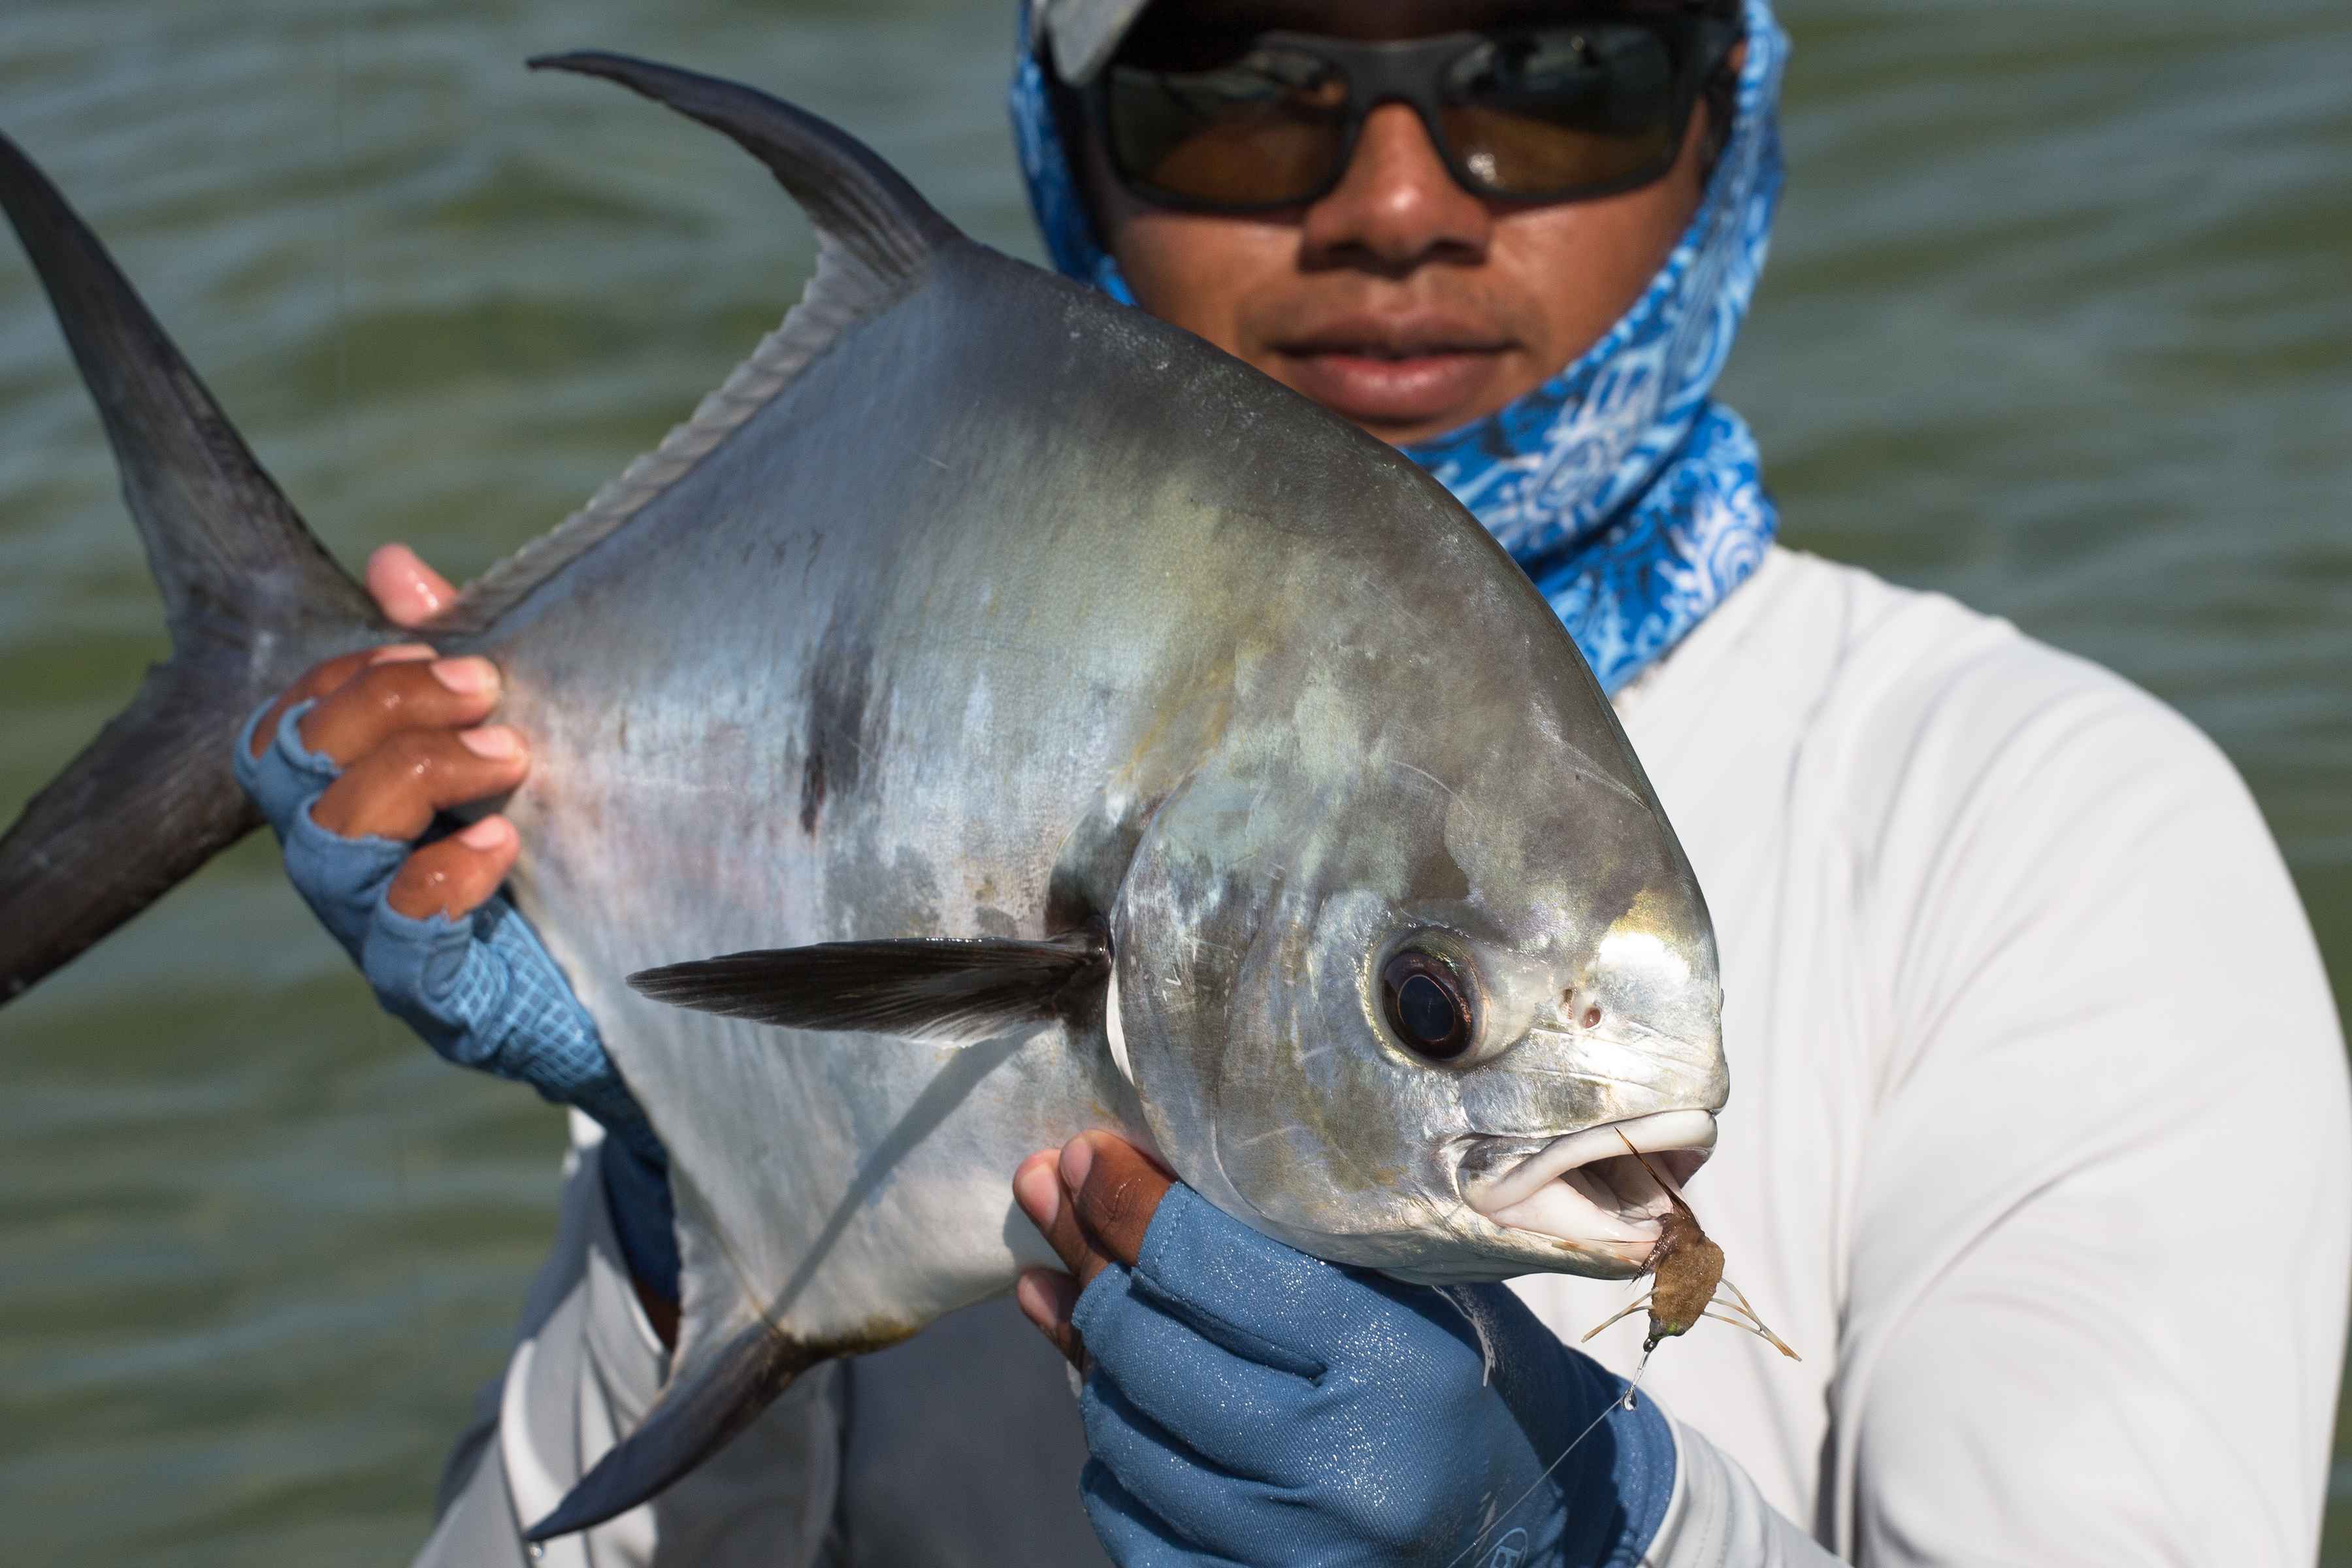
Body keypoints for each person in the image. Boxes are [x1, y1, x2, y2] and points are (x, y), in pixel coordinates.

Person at [233, 0, 2352, 1561]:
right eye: (1241, 97)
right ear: (1067, 145)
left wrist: (1582, 1533)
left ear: (1736, 112)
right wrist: (690, 1176)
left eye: (1557, 73)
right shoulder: (923, 748)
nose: (1398, 205)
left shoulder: (2057, 840)